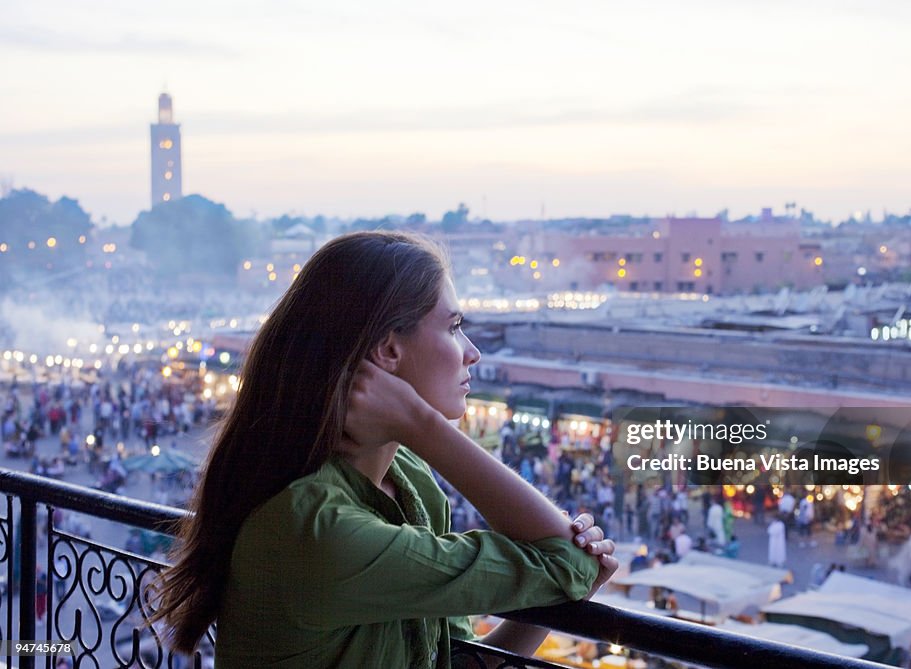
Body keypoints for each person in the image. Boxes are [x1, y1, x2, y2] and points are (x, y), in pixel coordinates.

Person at [150, 232, 618, 668]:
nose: (471, 351)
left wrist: (557, 597)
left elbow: (448, 661)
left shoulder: (409, 480)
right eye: (453, 327)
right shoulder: (314, 527)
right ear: (388, 350)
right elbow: (567, 559)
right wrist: (424, 425)